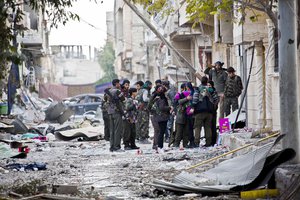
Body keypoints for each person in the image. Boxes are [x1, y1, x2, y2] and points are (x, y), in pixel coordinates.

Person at [190, 76, 215, 147]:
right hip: (209, 111)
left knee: (198, 127)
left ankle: (196, 142)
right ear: (207, 82)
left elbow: (195, 99)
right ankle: (208, 142)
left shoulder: (198, 89)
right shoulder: (210, 89)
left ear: (201, 82)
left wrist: (193, 107)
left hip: (199, 111)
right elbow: (215, 99)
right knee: (208, 127)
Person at [148, 85, 171, 149]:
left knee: (158, 130)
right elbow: (149, 106)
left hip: (158, 115)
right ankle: (157, 145)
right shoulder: (156, 96)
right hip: (156, 115)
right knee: (158, 130)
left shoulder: (160, 96)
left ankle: (156, 145)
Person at [106, 79, 125, 152]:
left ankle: (112, 147)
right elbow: (123, 99)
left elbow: (105, 100)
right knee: (117, 130)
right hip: (117, 112)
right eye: (118, 84)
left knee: (112, 130)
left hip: (110, 112)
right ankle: (117, 147)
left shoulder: (108, 91)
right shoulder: (118, 91)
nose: (119, 85)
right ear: (116, 84)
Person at [173, 83, 190, 148]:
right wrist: (186, 98)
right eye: (186, 88)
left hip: (187, 115)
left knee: (186, 131)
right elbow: (178, 102)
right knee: (179, 132)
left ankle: (185, 144)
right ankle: (176, 144)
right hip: (180, 115)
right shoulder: (179, 95)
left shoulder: (189, 94)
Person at [207, 80, 219, 146]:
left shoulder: (214, 92)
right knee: (208, 126)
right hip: (208, 112)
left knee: (213, 126)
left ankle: (213, 140)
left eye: (210, 86)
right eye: (208, 86)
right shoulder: (207, 92)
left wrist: (213, 108)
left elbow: (216, 101)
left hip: (213, 112)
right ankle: (209, 140)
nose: (209, 87)